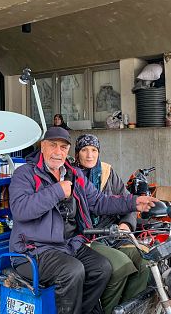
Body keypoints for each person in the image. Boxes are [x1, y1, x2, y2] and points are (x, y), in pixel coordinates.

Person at [9, 127, 157, 314]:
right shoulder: (25, 174)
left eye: (63, 147)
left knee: (102, 268)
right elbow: (20, 210)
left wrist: (134, 202)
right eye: (53, 145)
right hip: (33, 250)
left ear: (68, 151)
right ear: (43, 147)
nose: (58, 151)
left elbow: (99, 201)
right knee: (73, 270)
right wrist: (56, 191)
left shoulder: (73, 174)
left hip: (67, 245)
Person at [74, 134, 150, 314]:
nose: (89, 155)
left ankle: (129, 308)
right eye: (84, 150)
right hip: (88, 237)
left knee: (145, 261)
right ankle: (109, 310)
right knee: (121, 265)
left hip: (113, 234)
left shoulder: (108, 172)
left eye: (94, 150)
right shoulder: (71, 174)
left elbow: (127, 203)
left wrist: (126, 225)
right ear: (77, 154)